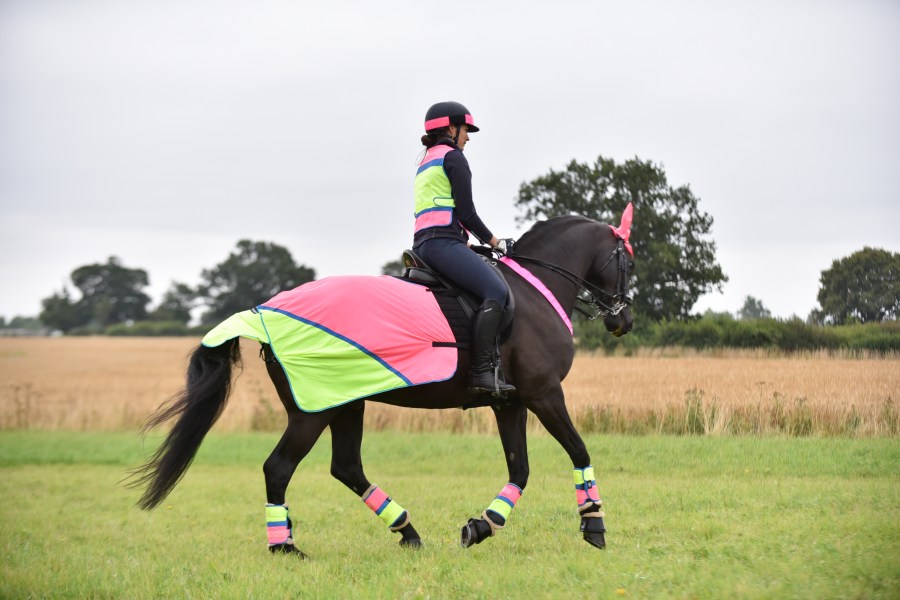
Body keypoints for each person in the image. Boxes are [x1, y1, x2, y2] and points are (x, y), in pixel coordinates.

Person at [412, 101, 515, 396]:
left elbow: (438, 212)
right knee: (496, 292)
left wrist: (464, 242)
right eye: (465, 130)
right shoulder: (454, 158)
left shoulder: (426, 160)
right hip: (442, 244)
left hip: (426, 243)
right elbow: (467, 213)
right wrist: (496, 243)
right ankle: (482, 371)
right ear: (450, 128)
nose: (467, 137)